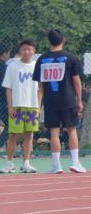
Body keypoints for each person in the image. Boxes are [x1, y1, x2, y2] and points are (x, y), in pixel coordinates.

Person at [33, 29, 85, 174]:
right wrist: (79, 100)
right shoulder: (70, 57)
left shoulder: (42, 59)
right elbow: (77, 82)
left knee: (54, 132)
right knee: (72, 129)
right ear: (63, 40)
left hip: (51, 101)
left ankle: (56, 165)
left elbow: (40, 86)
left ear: (49, 41)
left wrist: (38, 104)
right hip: (68, 100)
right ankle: (75, 162)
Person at [0, 39, 41, 174]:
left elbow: (40, 89)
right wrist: (10, 106)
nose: (27, 52)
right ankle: (9, 163)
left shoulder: (37, 66)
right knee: (13, 134)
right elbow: (8, 88)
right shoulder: (12, 66)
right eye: (24, 49)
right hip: (17, 106)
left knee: (29, 135)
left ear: (34, 51)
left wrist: (38, 106)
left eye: (29, 49)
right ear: (20, 50)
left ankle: (26, 163)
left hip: (32, 107)